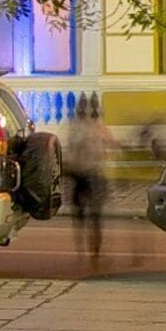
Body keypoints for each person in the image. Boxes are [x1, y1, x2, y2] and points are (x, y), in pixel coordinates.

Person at [57, 95, 122, 273]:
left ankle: (82, 249)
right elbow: (115, 146)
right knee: (95, 216)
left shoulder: (74, 128)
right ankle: (94, 250)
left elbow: (70, 151)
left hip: (79, 174)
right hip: (94, 176)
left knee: (79, 214)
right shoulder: (100, 129)